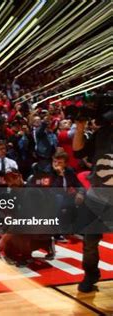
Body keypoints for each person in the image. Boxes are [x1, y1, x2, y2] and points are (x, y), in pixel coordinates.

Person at [73, 98, 113, 293]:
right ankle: (90, 274)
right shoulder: (102, 134)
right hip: (97, 195)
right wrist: (80, 128)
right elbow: (78, 152)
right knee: (89, 242)